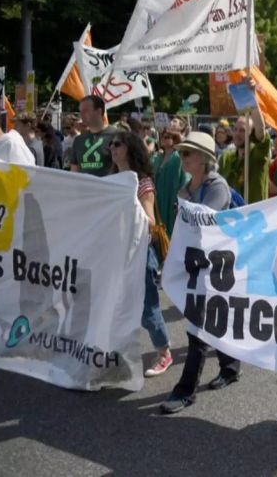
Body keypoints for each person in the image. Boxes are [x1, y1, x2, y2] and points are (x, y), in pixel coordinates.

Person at [161, 131, 242, 414]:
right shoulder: (187, 188)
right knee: (212, 319)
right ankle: (230, 367)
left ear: (204, 159)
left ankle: (185, 391)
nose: (181, 157)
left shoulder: (217, 186)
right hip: (197, 263)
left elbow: (207, 221)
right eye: (181, 153)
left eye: (187, 153)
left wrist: (184, 207)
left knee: (197, 327)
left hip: (217, 266)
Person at [110, 131, 173, 377]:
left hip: (140, 251)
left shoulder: (143, 182)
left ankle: (164, 352)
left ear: (131, 149)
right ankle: (119, 352)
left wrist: (129, 200)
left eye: (117, 143)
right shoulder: (112, 179)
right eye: (111, 145)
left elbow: (149, 221)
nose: (112, 148)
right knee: (118, 304)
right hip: (118, 251)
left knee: (148, 308)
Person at [219, 103, 270, 204]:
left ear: (252, 134)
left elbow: (261, 132)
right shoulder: (226, 158)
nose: (237, 134)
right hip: (232, 216)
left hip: (254, 216)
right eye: (235, 129)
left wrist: (252, 100)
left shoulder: (258, 155)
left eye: (243, 130)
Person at [152, 118, 190, 237]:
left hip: (172, 207)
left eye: (168, 136)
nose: (164, 137)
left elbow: (185, 182)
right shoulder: (157, 158)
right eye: (163, 135)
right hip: (157, 205)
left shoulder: (179, 158)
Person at [70, 95, 121, 176]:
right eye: (81, 111)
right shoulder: (78, 140)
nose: (82, 115)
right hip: (84, 187)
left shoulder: (117, 136)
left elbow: (125, 168)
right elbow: (74, 172)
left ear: (99, 111)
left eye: (86, 111)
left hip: (108, 187)